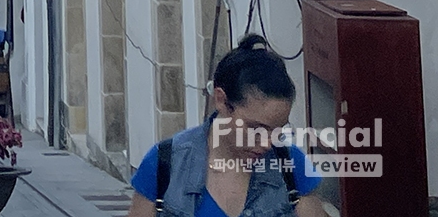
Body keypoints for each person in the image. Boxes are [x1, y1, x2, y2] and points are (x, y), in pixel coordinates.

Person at [125, 35, 327, 217]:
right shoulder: (164, 164)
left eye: (277, 131)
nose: (267, 143)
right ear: (221, 101)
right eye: (255, 128)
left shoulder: (291, 166)